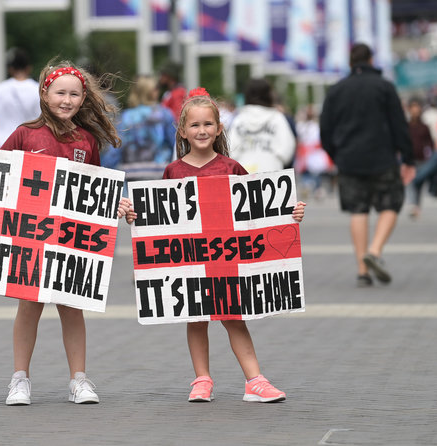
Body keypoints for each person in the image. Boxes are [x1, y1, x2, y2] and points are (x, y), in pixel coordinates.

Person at [0, 60, 126, 406]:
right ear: (44, 94)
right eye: (60, 93)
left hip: (70, 237)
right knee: (29, 305)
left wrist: (115, 203)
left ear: (83, 99)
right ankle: (19, 379)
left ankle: (79, 379)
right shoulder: (25, 134)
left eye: (74, 94)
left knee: (72, 307)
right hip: (31, 239)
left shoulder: (86, 140)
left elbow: (94, 187)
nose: (67, 100)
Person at [118, 88, 306, 403]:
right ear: (182, 131)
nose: (202, 130)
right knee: (197, 318)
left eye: (208, 124)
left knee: (234, 317)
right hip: (192, 262)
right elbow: (162, 220)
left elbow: (257, 213)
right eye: (195, 125)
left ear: (219, 129)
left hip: (227, 262)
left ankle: (254, 380)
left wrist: (289, 215)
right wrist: (136, 217)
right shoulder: (173, 172)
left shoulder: (232, 168)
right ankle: (202, 379)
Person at [320, 43, 415, 287]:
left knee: (358, 210)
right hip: (382, 158)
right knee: (391, 203)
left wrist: (336, 154)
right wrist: (408, 158)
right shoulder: (384, 87)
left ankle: (363, 270)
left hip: (349, 160)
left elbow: (325, 130)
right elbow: (399, 125)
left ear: (350, 63)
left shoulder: (336, 90)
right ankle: (374, 250)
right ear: (371, 61)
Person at [102, 75, 176, 180]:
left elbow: (115, 149)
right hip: (160, 175)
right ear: (149, 91)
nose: (158, 91)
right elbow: (175, 145)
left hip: (131, 175)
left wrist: (103, 170)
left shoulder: (126, 116)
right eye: (156, 88)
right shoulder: (165, 114)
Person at [227, 78, 296, 173]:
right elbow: (287, 149)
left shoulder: (239, 120)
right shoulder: (277, 118)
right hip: (272, 172)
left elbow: (230, 150)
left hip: (244, 174)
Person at [0, 47, 41, 147]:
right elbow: (42, 118)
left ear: (11, 69)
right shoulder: (38, 89)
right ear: (28, 68)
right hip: (30, 143)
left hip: (4, 142)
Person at [405, 97, 436, 219]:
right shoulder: (406, 126)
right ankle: (413, 205)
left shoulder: (424, 126)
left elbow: (430, 142)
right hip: (409, 158)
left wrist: (429, 153)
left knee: (419, 182)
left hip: (422, 159)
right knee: (411, 181)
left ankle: (417, 205)